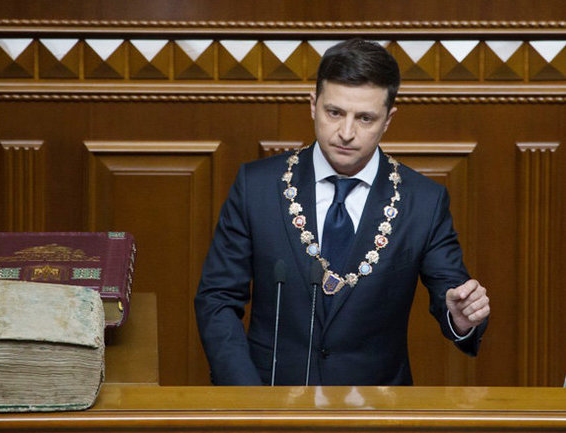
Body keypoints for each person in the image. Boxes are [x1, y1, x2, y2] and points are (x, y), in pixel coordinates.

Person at [194, 38, 489, 386]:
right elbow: (218, 299)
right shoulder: (256, 186)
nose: (346, 133)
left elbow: (453, 296)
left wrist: (460, 318)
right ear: (313, 105)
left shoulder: (424, 201)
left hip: (377, 405)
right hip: (269, 398)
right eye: (334, 112)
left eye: (365, 118)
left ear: (388, 120)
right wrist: (247, 400)